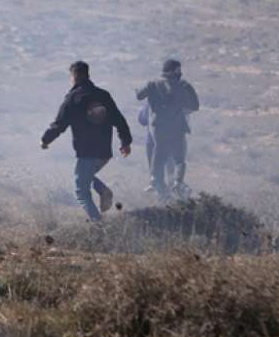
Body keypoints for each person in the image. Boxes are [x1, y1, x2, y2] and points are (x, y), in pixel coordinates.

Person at [40, 61, 132, 222]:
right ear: (87, 74)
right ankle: (103, 191)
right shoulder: (103, 95)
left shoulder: (73, 98)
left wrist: (45, 140)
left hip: (87, 152)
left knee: (81, 190)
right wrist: (125, 142)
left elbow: (60, 124)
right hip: (104, 152)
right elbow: (119, 120)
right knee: (83, 177)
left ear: (73, 76)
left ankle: (98, 225)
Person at [136, 59, 199, 200]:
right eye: (179, 70)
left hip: (159, 128)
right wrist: (187, 89)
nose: (180, 73)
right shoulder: (182, 86)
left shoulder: (152, 84)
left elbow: (139, 96)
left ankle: (155, 183)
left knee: (158, 156)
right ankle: (178, 183)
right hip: (177, 128)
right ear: (174, 71)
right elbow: (195, 106)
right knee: (179, 158)